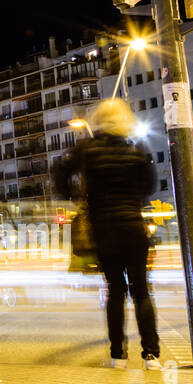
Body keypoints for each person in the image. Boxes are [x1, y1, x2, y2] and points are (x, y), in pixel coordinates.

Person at [55, 98, 160, 369]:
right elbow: (150, 185)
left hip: (105, 229)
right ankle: (151, 355)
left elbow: (60, 170)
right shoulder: (135, 150)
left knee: (115, 290)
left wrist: (74, 195)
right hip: (133, 228)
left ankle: (118, 355)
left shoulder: (88, 150)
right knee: (141, 291)